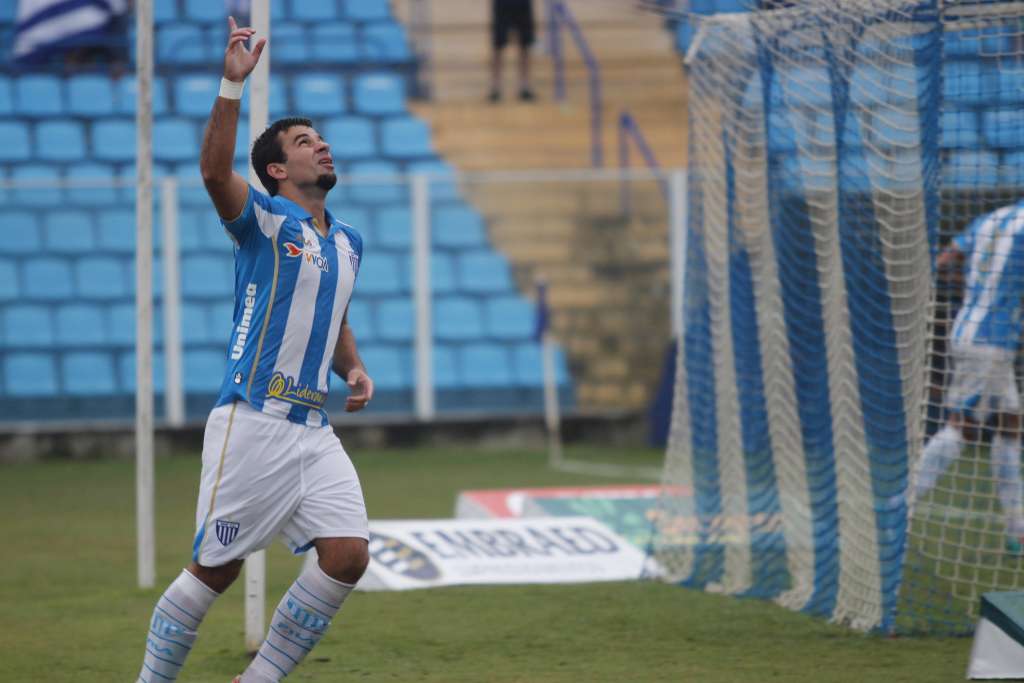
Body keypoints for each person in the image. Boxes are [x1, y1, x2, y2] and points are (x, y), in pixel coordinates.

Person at [135, 17, 374, 682]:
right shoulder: (265, 220)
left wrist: (350, 363)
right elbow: (214, 170)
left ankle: (258, 677)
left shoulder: (349, 239)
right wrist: (230, 87)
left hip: (313, 427)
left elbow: (334, 314)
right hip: (254, 419)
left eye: (321, 140)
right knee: (217, 568)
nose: (321, 147)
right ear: (277, 168)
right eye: (305, 143)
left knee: (349, 553)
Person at [909, 201, 1024, 553]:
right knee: (963, 426)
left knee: (1010, 424)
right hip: (992, 340)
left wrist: (976, 290)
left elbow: (945, 260)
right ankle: (904, 506)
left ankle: (1017, 529)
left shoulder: (992, 217)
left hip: (969, 328)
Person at [489, 0, 536, 102]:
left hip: (522, 3)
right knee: (498, 45)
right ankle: (495, 87)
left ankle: (525, 86)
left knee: (525, 44)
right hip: (502, 3)